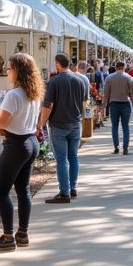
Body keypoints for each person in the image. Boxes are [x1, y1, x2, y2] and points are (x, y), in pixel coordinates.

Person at [0, 53, 43, 251]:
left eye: (9, 68)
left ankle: (7, 237)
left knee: (1, 189)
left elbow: (3, 122)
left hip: (16, 145)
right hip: (30, 142)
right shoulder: (33, 93)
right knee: (22, 189)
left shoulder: (13, 95)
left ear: (17, 71)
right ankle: (22, 233)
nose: (7, 71)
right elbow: (13, 118)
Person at [38, 53, 88, 204]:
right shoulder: (79, 80)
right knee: (73, 157)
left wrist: (41, 123)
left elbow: (48, 105)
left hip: (59, 125)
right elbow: (84, 103)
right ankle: (72, 188)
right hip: (75, 123)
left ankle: (64, 192)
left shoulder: (54, 82)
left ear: (58, 64)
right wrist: (82, 118)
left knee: (61, 159)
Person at [103, 60, 133, 154]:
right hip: (125, 103)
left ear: (116, 67)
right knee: (125, 126)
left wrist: (104, 105)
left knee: (115, 126)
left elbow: (106, 93)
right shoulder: (129, 78)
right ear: (124, 67)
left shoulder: (109, 78)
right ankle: (125, 148)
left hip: (114, 104)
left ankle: (116, 147)